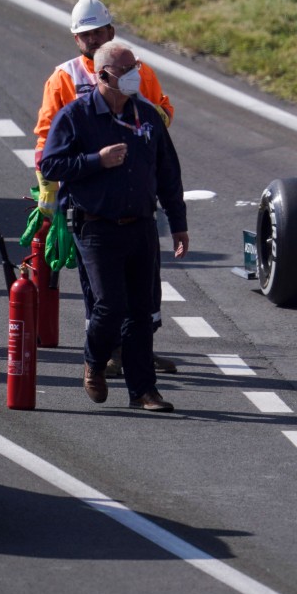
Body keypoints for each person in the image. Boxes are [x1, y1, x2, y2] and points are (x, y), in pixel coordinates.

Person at [40, 41, 189, 412]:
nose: (135, 75)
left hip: (140, 225)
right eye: (126, 70)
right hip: (96, 226)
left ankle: (143, 391)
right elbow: (51, 165)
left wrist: (179, 224)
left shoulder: (148, 117)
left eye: (135, 66)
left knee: (142, 310)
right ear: (103, 76)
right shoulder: (76, 116)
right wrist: (96, 161)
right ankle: (94, 361)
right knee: (109, 305)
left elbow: (168, 171)